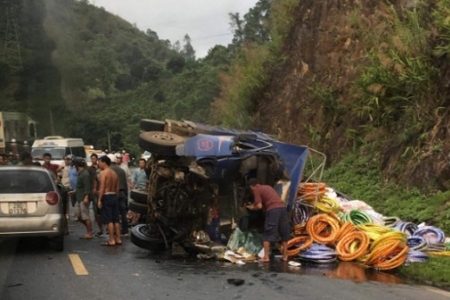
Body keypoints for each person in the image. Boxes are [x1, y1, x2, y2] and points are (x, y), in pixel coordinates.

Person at [246, 178, 290, 262]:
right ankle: (285, 256)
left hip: (273, 210)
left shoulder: (256, 190)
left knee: (268, 232)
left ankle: (266, 257)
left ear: (251, 187)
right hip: (282, 208)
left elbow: (259, 206)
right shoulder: (267, 187)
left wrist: (252, 207)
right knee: (284, 232)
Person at [97, 155, 122, 246]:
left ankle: (111, 240)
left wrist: (99, 200)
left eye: (99, 162)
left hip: (107, 196)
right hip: (114, 196)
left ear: (104, 162)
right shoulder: (114, 173)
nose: (99, 164)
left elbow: (102, 187)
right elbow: (117, 188)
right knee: (116, 219)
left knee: (109, 219)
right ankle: (118, 238)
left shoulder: (103, 173)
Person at [70, 157, 93, 239]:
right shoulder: (80, 173)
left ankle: (89, 232)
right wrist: (75, 191)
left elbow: (87, 187)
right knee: (78, 215)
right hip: (79, 197)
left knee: (85, 216)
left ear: (77, 165)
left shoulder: (85, 174)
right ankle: (89, 229)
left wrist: (86, 197)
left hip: (83, 198)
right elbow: (81, 186)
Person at [108, 154, 129, 236]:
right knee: (123, 213)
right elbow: (125, 184)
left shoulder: (108, 170)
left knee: (113, 213)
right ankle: (125, 230)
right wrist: (126, 195)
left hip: (112, 193)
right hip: (122, 193)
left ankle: (114, 231)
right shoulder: (121, 170)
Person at [87, 153, 104, 237]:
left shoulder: (101, 168)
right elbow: (92, 180)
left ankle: (103, 227)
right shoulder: (89, 169)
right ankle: (99, 227)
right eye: (92, 158)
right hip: (94, 192)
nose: (93, 160)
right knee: (96, 209)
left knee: (102, 209)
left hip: (102, 191)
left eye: (94, 158)